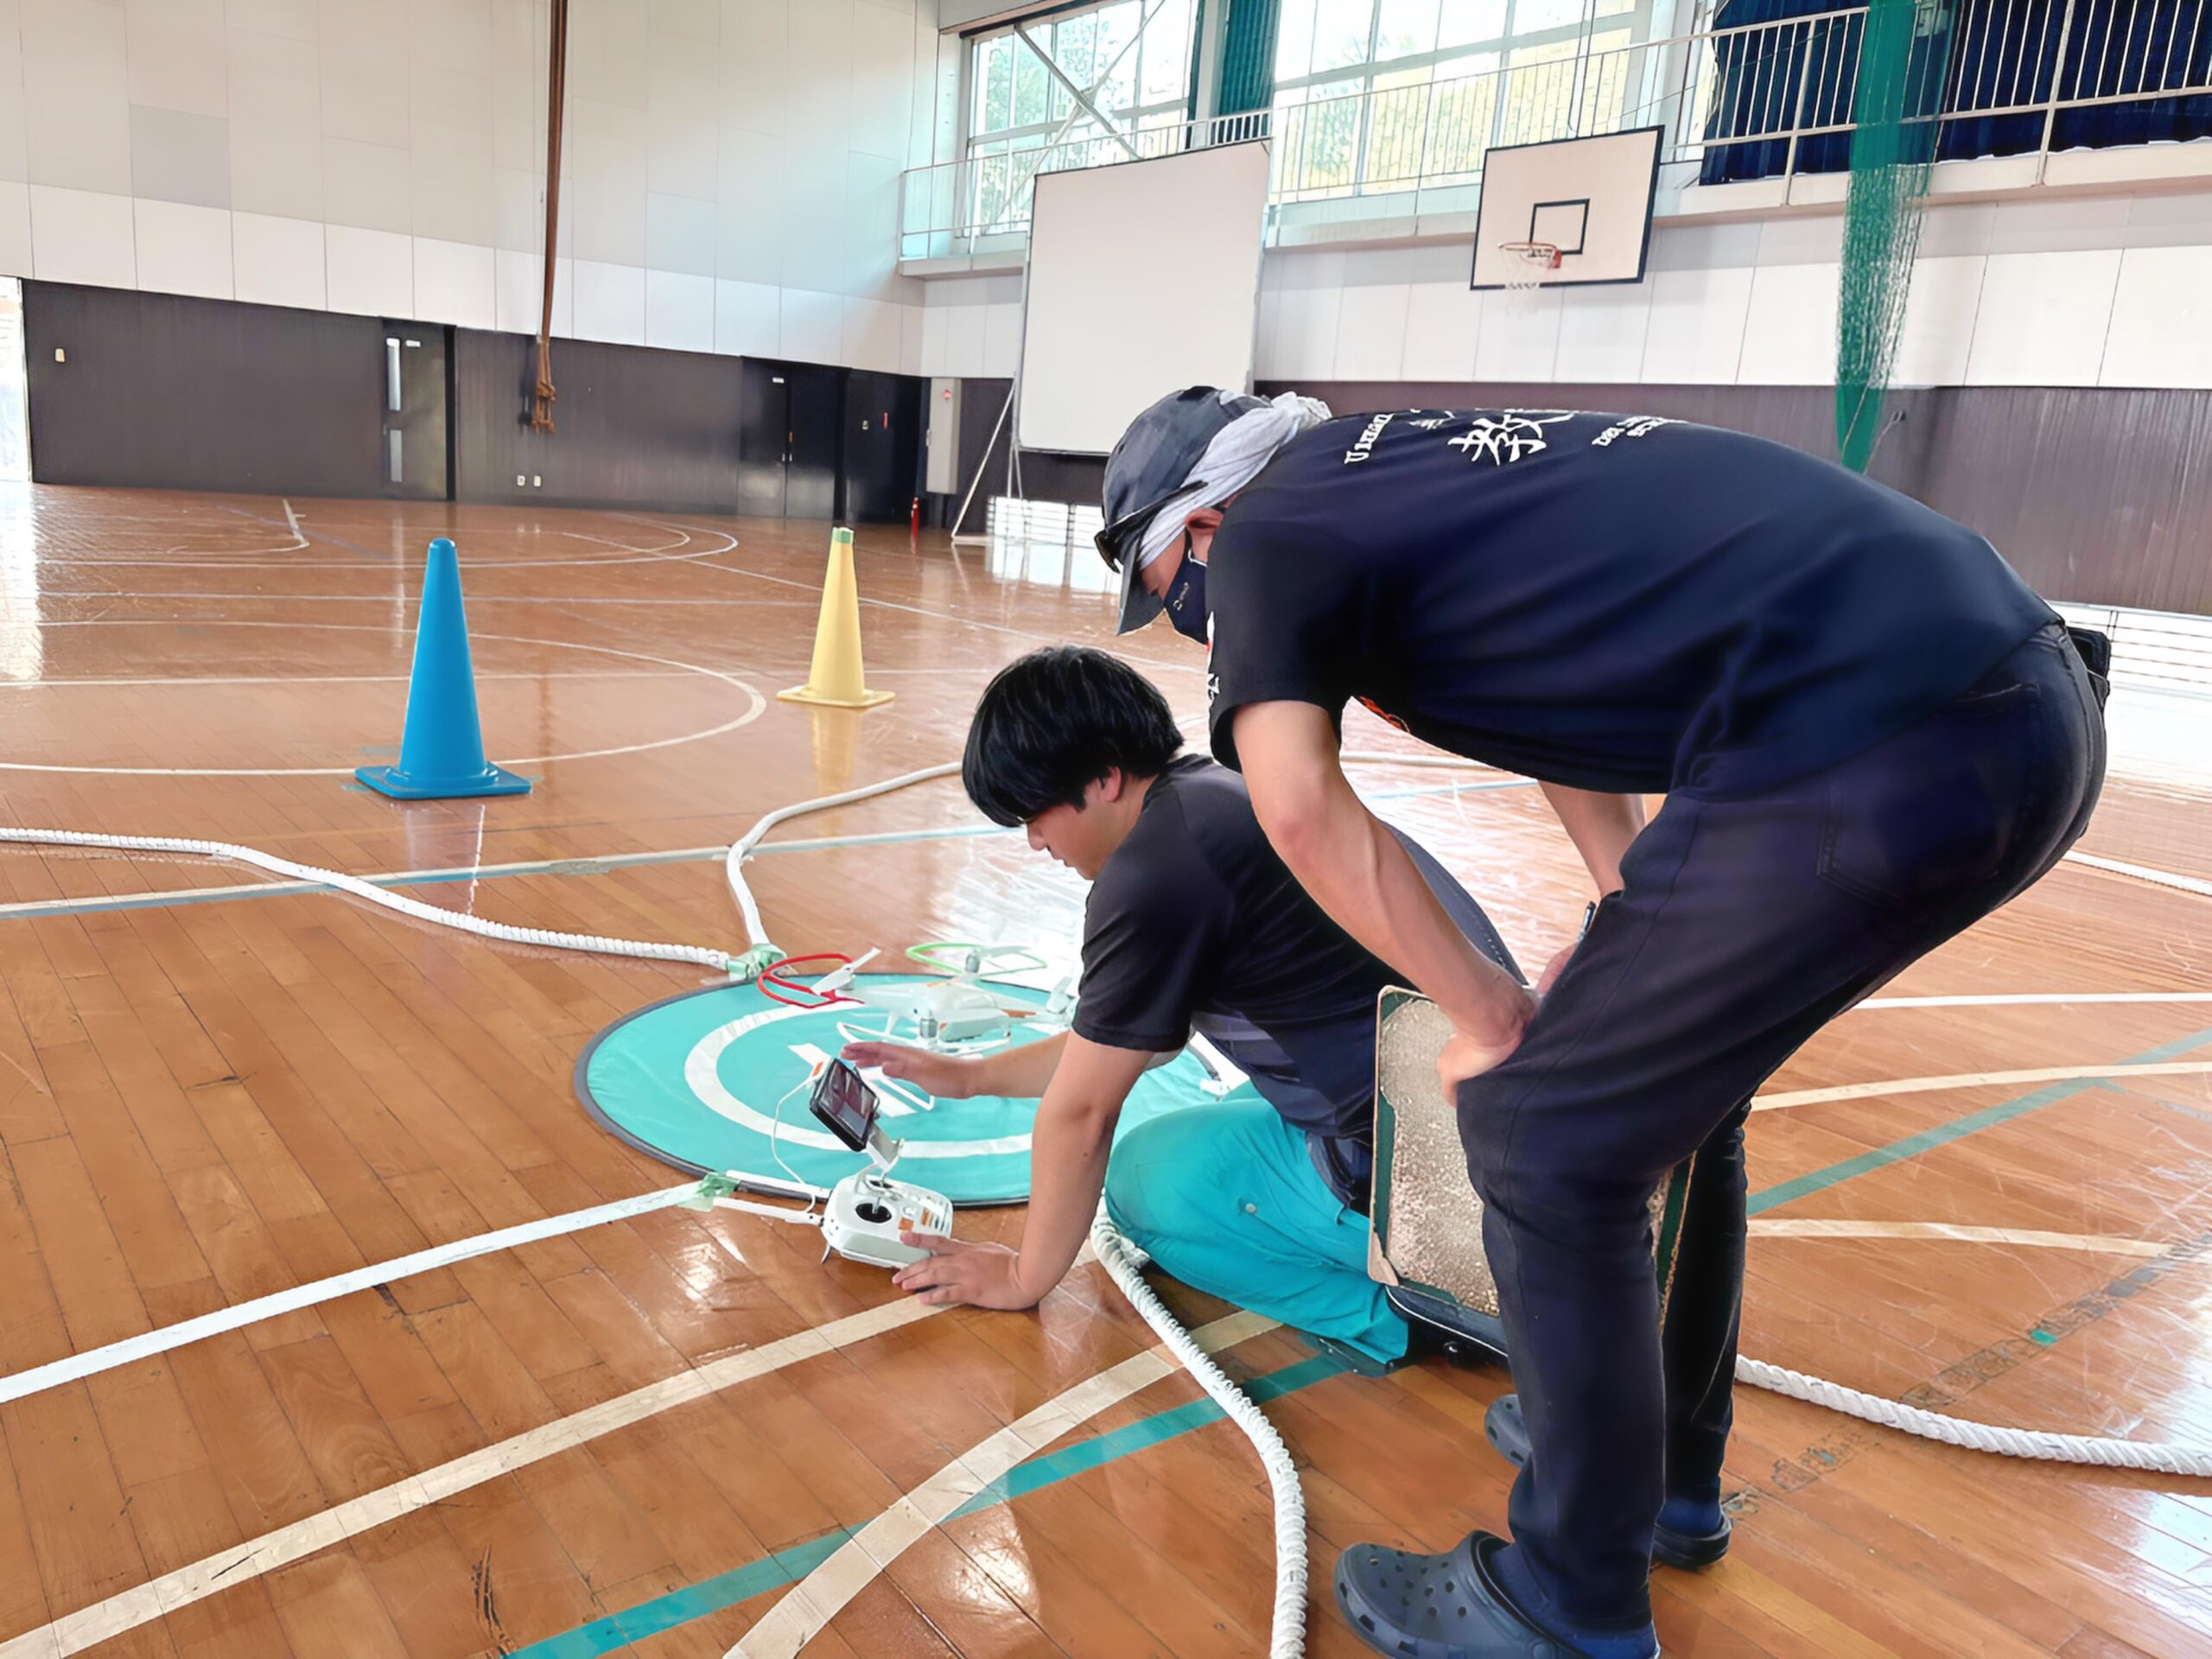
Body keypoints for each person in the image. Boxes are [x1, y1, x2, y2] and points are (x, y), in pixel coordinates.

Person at [1094, 388, 2108, 1659]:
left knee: (1536, 1133)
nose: (1189, 620)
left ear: (1199, 524)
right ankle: (1658, 1474)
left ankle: (1568, 1602)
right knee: (1674, 1105)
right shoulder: (1408, 474)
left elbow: (1293, 803)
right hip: (2009, 703)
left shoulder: (1271, 528)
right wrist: (1626, 908)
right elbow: (1562, 706)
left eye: (1166, 587)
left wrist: (1485, 1011)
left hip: (1872, 734)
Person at [847, 643, 1521, 1369]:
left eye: (1033, 815)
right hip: (1473, 1124)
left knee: (1143, 1184)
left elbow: (1083, 1112)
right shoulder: (1211, 795)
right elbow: (1132, 1046)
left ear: (1104, 778)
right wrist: (972, 1077)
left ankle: (1409, 1309)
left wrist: (1022, 1277)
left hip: (1423, 1182)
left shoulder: (1152, 875)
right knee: (1223, 1114)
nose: (1036, 841)